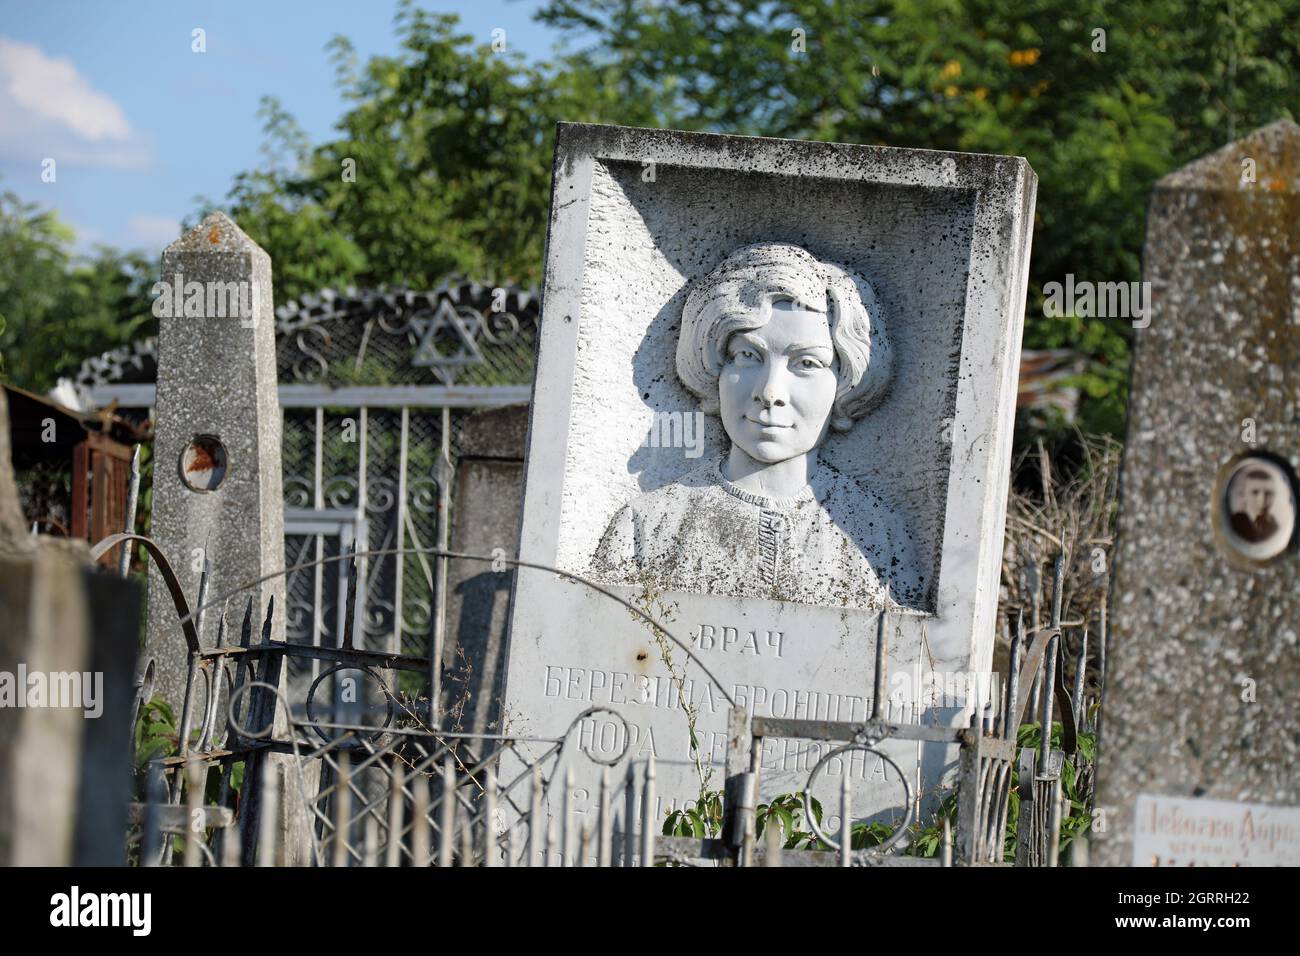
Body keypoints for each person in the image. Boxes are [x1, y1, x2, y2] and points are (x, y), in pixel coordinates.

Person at [588, 241, 924, 611]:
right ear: (715, 367)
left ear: (846, 381)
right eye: (748, 356)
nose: (770, 392)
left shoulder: (879, 537)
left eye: (807, 363)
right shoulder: (646, 528)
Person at [1229, 468, 1279, 543]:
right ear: (1243, 495)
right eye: (1255, 493)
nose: (1262, 500)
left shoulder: (1274, 527)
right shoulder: (1233, 524)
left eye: (1268, 493)